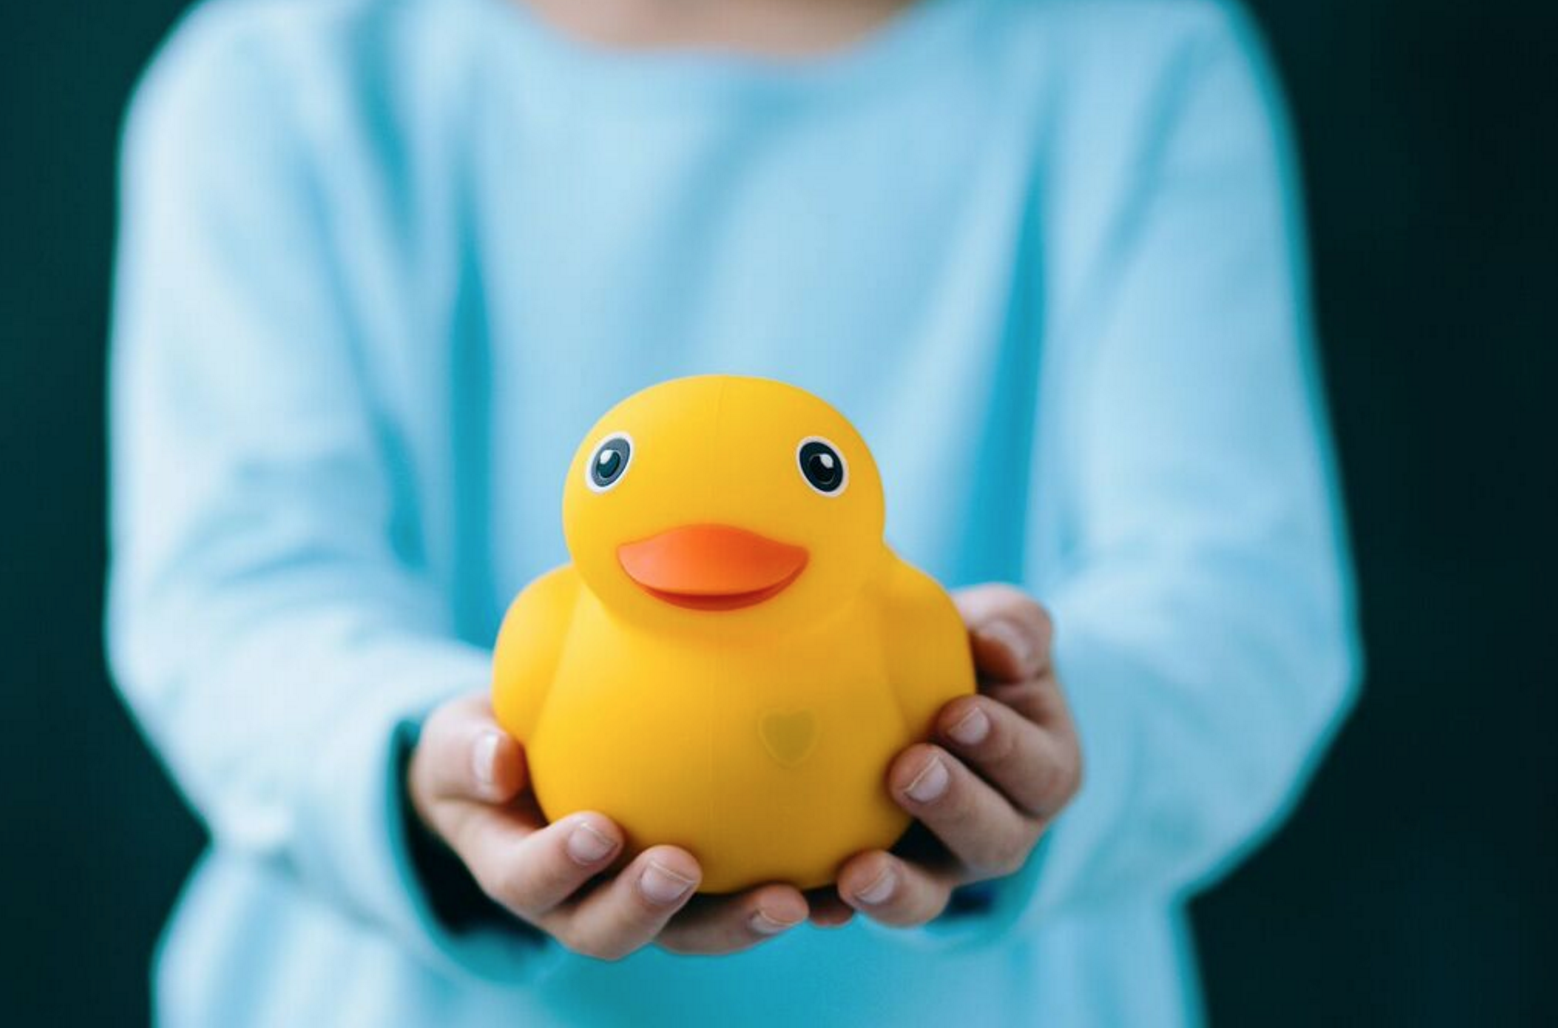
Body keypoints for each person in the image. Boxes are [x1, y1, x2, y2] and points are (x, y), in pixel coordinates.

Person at [107, 0, 1360, 1024]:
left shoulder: (1138, 61)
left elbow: (1244, 601)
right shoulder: (276, 77)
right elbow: (231, 594)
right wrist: (431, 772)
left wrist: (1045, 735)